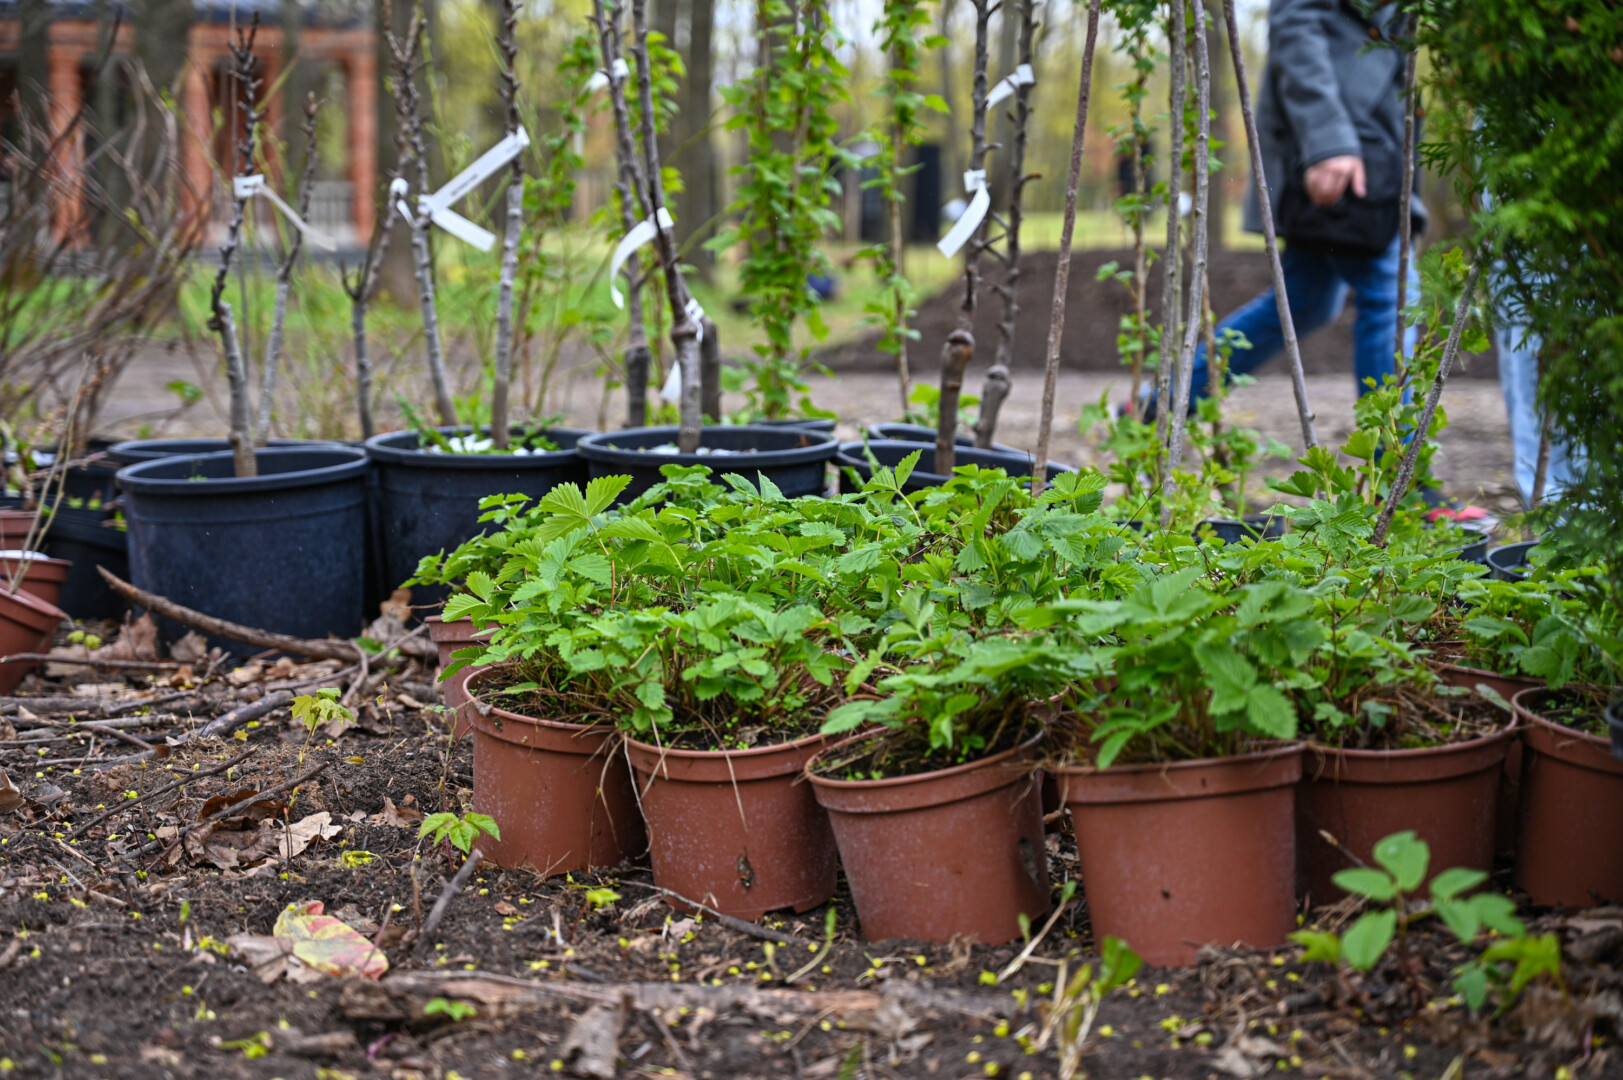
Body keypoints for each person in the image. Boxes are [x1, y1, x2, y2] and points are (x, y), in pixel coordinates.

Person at [1146, 0, 1421, 418]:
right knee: (1393, 296)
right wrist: (1328, 139)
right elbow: (1296, 20)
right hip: (1342, 142)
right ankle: (1397, 457)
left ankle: (1156, 406)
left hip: (1373, 140)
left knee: (1307, 300)